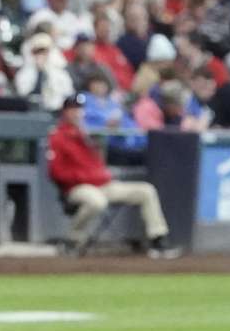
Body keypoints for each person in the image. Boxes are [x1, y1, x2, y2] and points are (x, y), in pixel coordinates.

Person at [48, 94, 180, 258]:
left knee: (146, 190)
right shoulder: (58, 137)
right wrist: (84, 177)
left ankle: (158, 241)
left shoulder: (86, 133)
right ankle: (72, 241)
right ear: (65, 112)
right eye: (73, 109)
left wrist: (99, 174)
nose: (77, 113)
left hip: (103, 185)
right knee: (97, 201)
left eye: (80, 109)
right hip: (77, 188)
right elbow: (56, 172)